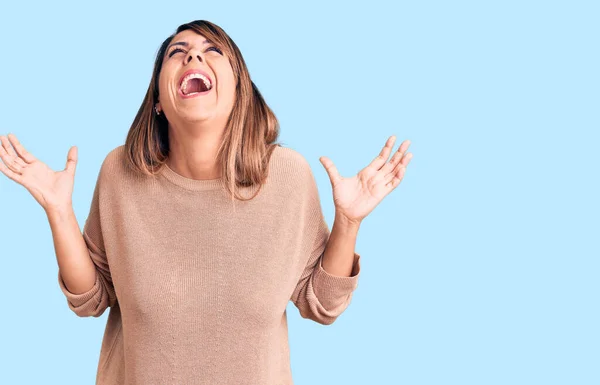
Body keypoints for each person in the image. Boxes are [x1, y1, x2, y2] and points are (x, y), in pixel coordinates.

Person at [0, 19, 412, 385]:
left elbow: (321, 304)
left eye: (212, 51)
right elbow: (91, 298)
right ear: (159, 101)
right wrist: (59, 211)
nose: (193, 54)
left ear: (240, 91)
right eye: (177, 53)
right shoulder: (120, 173)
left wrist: (349, 221)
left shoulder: (287, 176)